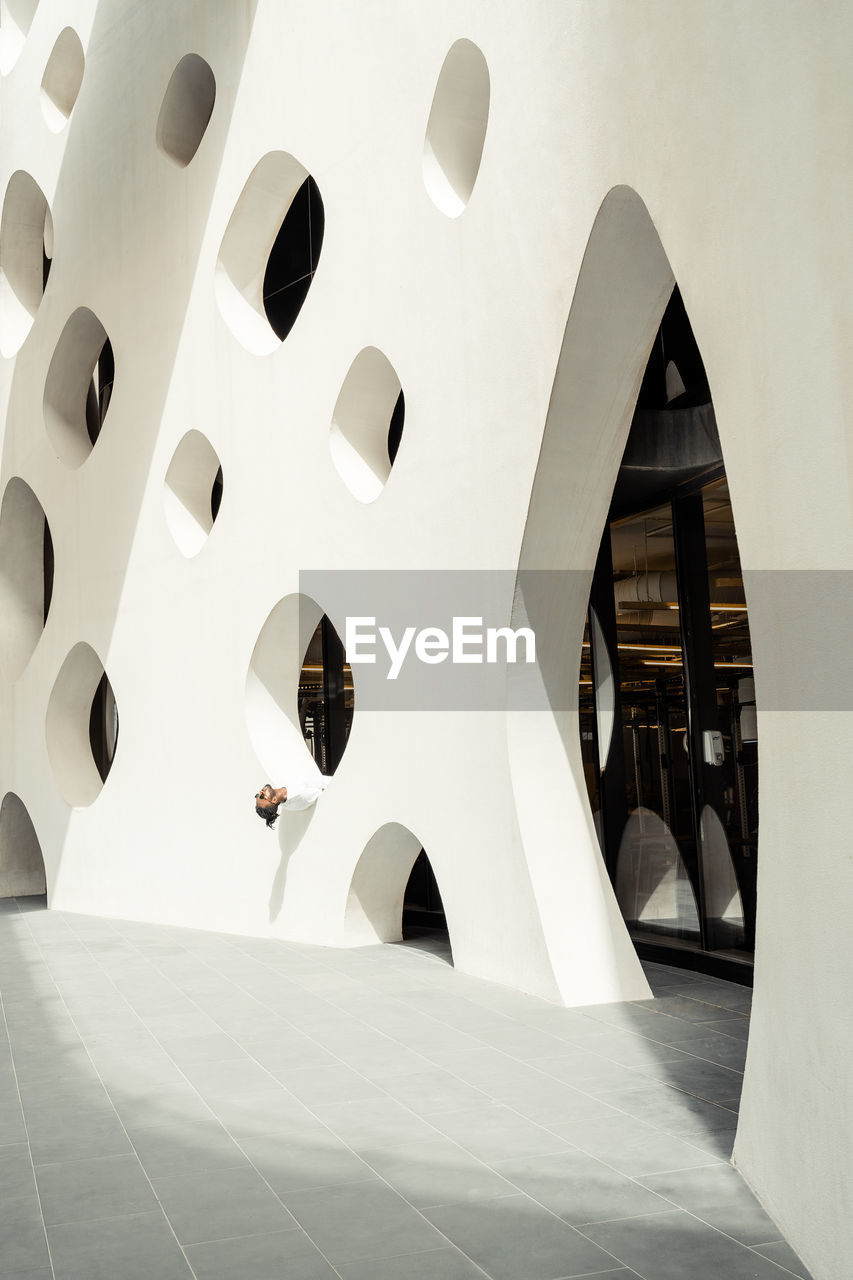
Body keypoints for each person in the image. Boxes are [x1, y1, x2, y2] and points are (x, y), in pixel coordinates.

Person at [254, 777, 328, 827]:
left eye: (258, 795)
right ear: (274, 800)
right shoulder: (300, 796)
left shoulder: (281, 786)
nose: (260, 792)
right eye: (262, 796)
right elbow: (325, 790)